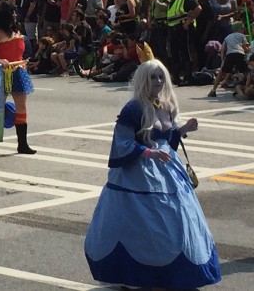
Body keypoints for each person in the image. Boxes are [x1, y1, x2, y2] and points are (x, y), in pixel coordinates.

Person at [85, 59, 221, 290]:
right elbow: (122, 143)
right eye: (152, 77)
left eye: (161, 77)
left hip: (168, 170)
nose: (157, 81)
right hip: (139, 174)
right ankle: (139, 274)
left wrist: (183, 130)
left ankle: (172, 273)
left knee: (175, 219)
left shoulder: (164, 105)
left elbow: (167, 140)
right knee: (143, 223)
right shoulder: (133, 108)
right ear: (142, 80)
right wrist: (147, 152)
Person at [0, 3, 36, 154]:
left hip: (18, 71)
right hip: (1, 74)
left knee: (22, 107)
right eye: (13, 13)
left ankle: (22, 144)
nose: (15, 15)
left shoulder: (18, 31)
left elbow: (19, 53)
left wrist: (24, 61)